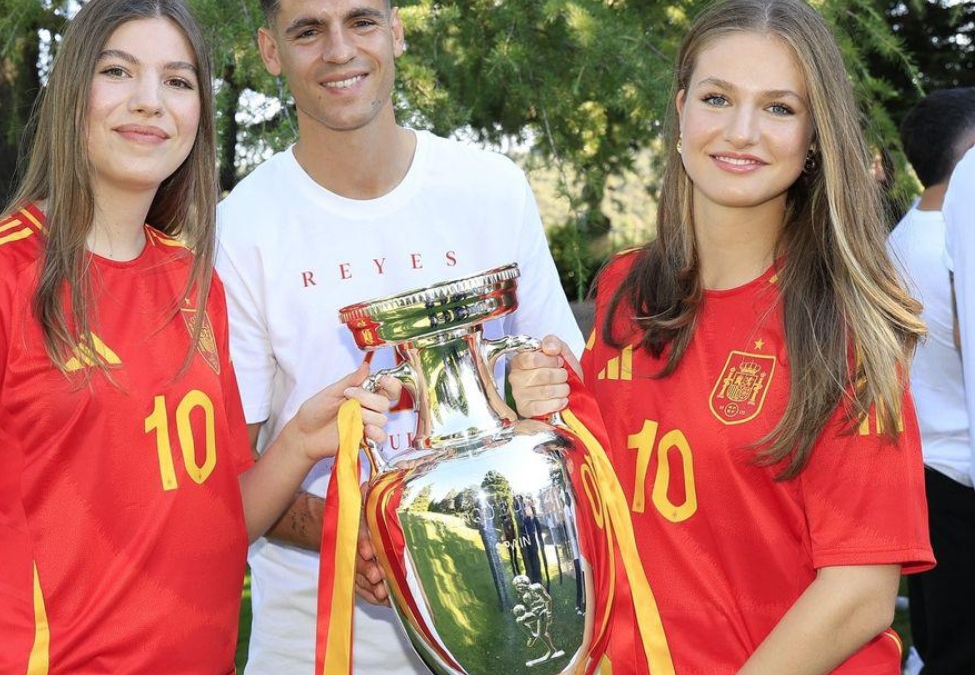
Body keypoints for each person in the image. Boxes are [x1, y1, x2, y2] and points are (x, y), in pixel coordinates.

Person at [0, 1, 395, 672]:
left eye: (177, 81)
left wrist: (298, 441)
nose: (150, 101)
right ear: (71, 93)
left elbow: (216, 520)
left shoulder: (194, 283)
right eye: (118, 71)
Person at [508, 1, 934, 673]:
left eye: (779, 108)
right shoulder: (626, 287)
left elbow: (859, 595)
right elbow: (601, 499)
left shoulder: (842, 325)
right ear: (681, 109)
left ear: (814, 135)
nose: (742, 132)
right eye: (717, 97)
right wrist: (537, 408)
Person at [213, 0, 583, 672]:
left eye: (360, 21)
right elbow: (225, 487)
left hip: (514, 623)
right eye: (307, 30)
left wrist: (538, 391)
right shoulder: (238, 230)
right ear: (271, 52)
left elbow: (578, 402)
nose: (338, 50)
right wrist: (350, 530)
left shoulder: (492, 188)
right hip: (320, 645)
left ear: (396, 31)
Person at [888, 87, 975, 675]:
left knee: (940, 636)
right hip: (960, 473)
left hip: (923, 466)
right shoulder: (951, 244)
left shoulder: (898, 238)